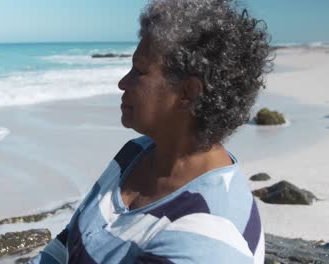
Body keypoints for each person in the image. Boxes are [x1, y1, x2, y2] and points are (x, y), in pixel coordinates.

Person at [30, 0, 271, 263]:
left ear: (188, 93)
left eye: (140, 71)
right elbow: (64, 247)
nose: (123, 82)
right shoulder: (138, 152)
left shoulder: (205, 236)